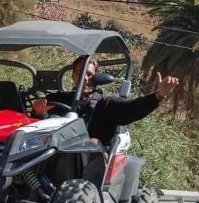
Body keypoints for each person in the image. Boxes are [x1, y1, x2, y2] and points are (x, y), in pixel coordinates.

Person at [31, 56, 179, 147]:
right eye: (80, 74)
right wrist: (39, 112)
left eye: (89, 74)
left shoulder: (106, 103)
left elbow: (132, 108)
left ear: (96, 78)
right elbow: (38, 124)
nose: (85, 78)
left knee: (92, 142)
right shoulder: (58, 99)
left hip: (92, 162)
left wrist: (158, 95)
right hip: (54, 153)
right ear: (73, 76)